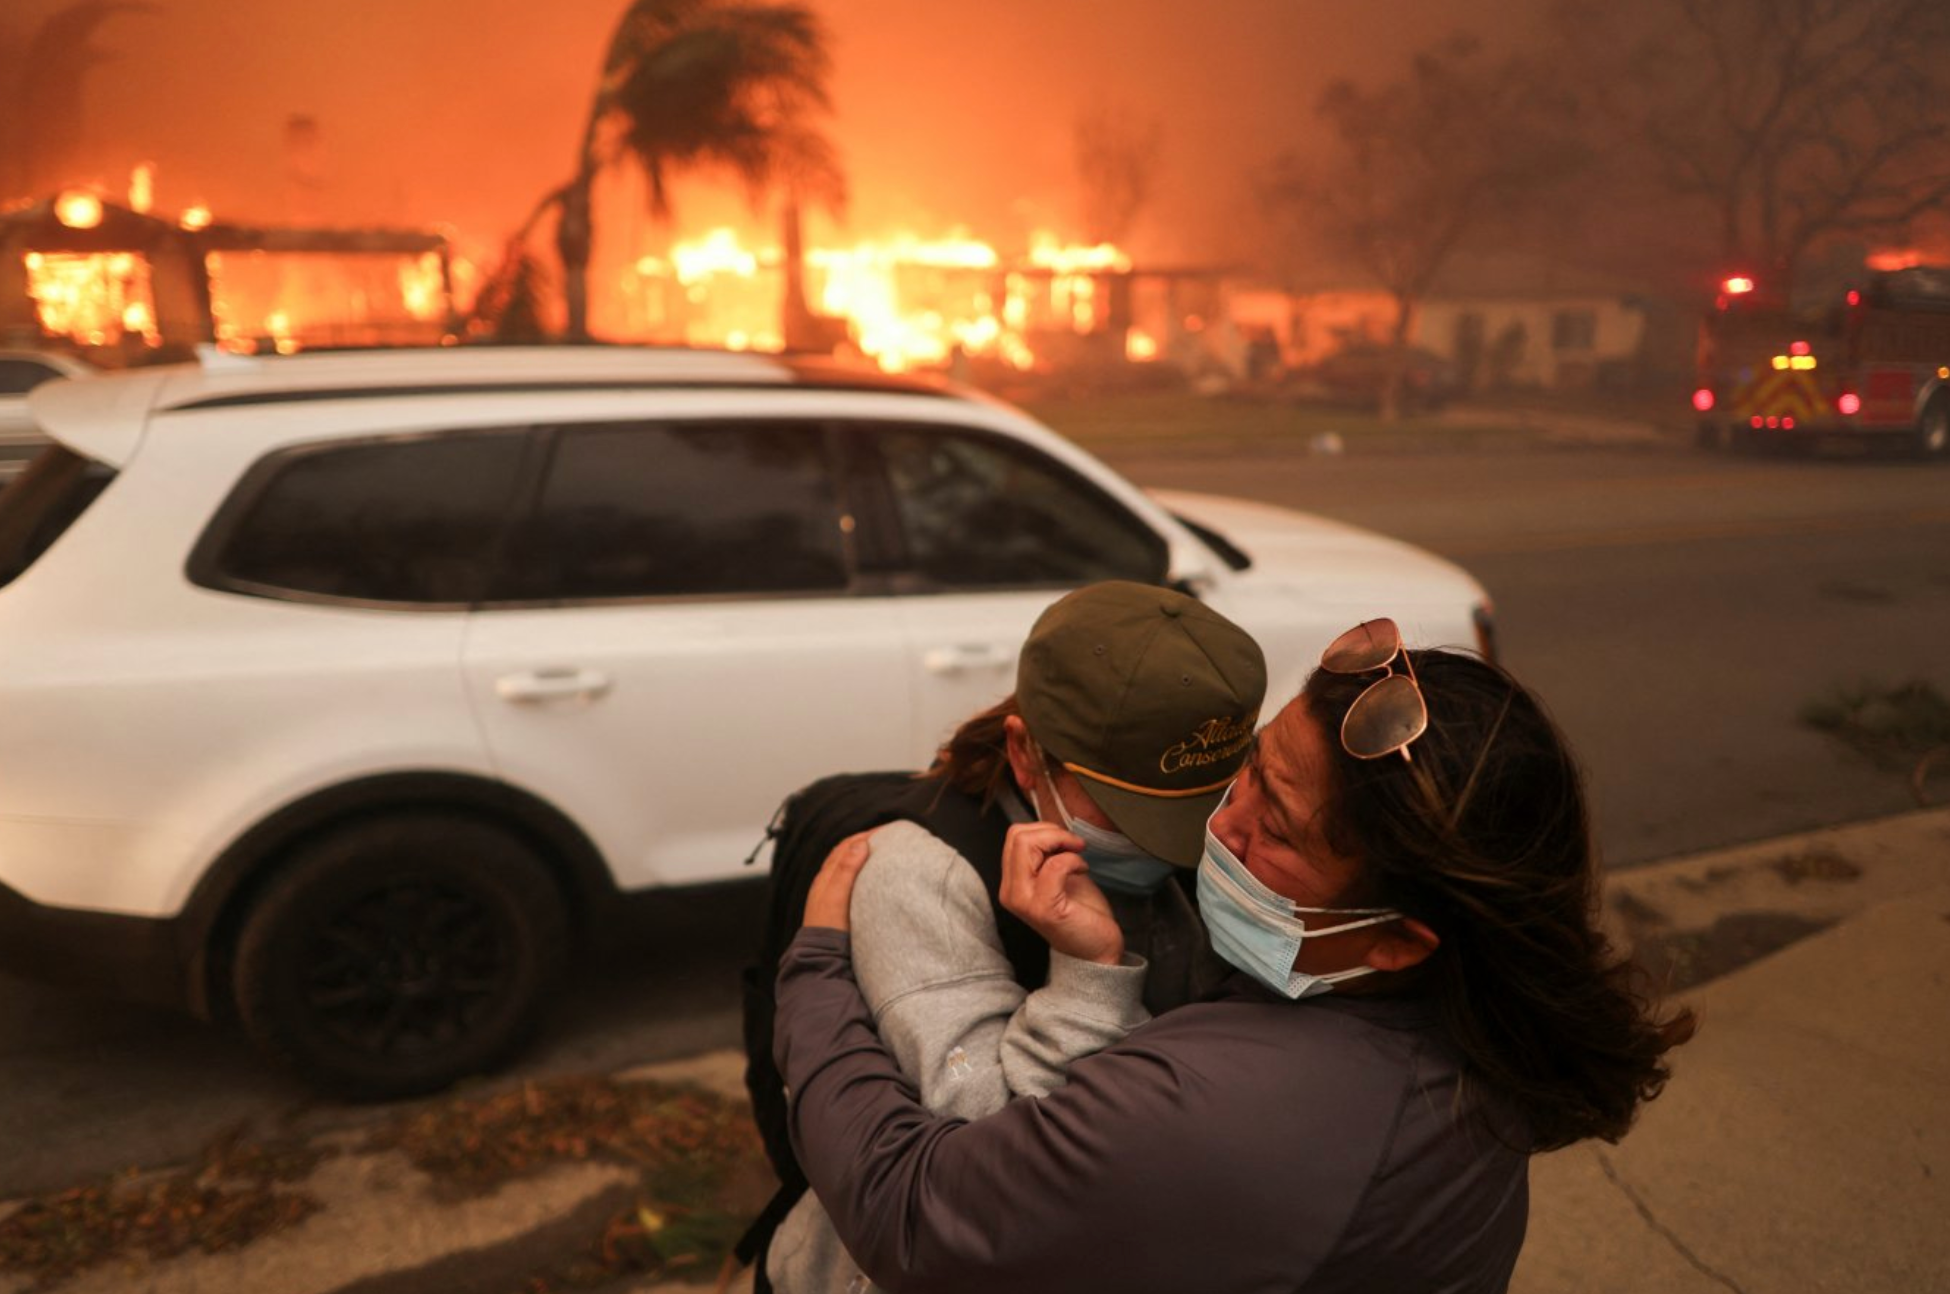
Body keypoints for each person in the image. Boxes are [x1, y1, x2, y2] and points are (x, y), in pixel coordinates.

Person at [777, 620, 1697, 1294]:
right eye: (1248, 771)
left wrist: (815, 972)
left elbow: (913, 1207)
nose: (1218, 830)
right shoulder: (1482, 1033)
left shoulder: (1214, 1107)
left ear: (1398, 938)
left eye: (1280, 831)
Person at [763, 580, 1266, 1294]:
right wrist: (1092, 971)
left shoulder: (1208, 841)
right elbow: (987, 1174)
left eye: (1202, 806)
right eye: (1129, 811)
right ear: (1026, 754)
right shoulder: (922, 875)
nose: (1185, 847)